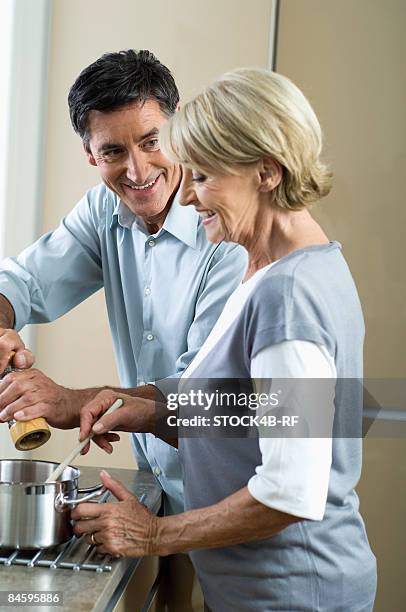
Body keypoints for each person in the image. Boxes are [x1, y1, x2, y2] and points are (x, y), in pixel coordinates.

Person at [71, 68, 377, 611]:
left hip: (291, 596)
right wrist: (141, 408)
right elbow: (255, 413)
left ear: (266, 170)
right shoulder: (281, 269)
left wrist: (155, 535)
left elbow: (290, 490)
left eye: (204, 177)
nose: (185, 197)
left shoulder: (288, 297)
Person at [0, 50, 247, 610]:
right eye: (113, 150)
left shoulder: (228, 232)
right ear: (90, 154)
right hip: (161, 494)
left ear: (179, 123)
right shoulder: (101, 213)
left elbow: (205, 402)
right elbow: (20, 282)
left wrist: (74, 402)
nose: (137, 171)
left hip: (233, 507)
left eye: (152, 141)